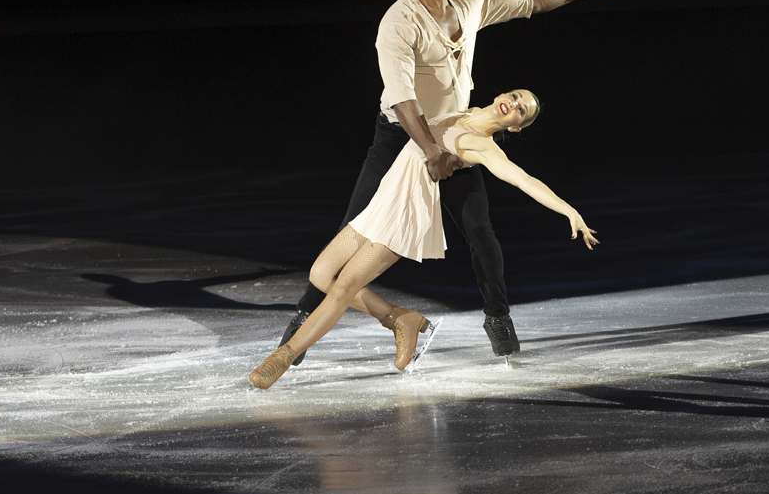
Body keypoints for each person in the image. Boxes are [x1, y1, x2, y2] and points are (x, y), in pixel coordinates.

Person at [280, 0, 632, 363]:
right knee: (348, 234)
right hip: (401, 139)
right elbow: (402, 97)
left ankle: (498, 318)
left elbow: (530, 0)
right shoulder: (398, 21)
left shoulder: (470, 4)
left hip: (456, 136)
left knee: (481, 232)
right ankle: (306, 316)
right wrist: (430, 151)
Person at [250, 89, 598, 389]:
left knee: (343, 288)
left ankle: (282, 358)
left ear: (515, 126)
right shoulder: (459, 107)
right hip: (382, 201)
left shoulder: (484, 148)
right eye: (515, 96)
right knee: (321, 275)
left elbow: (524, 179)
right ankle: (400, 318)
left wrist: (569, 210)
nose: (514, 103)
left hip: (405, 215)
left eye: (522, 109)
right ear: (500, 95)